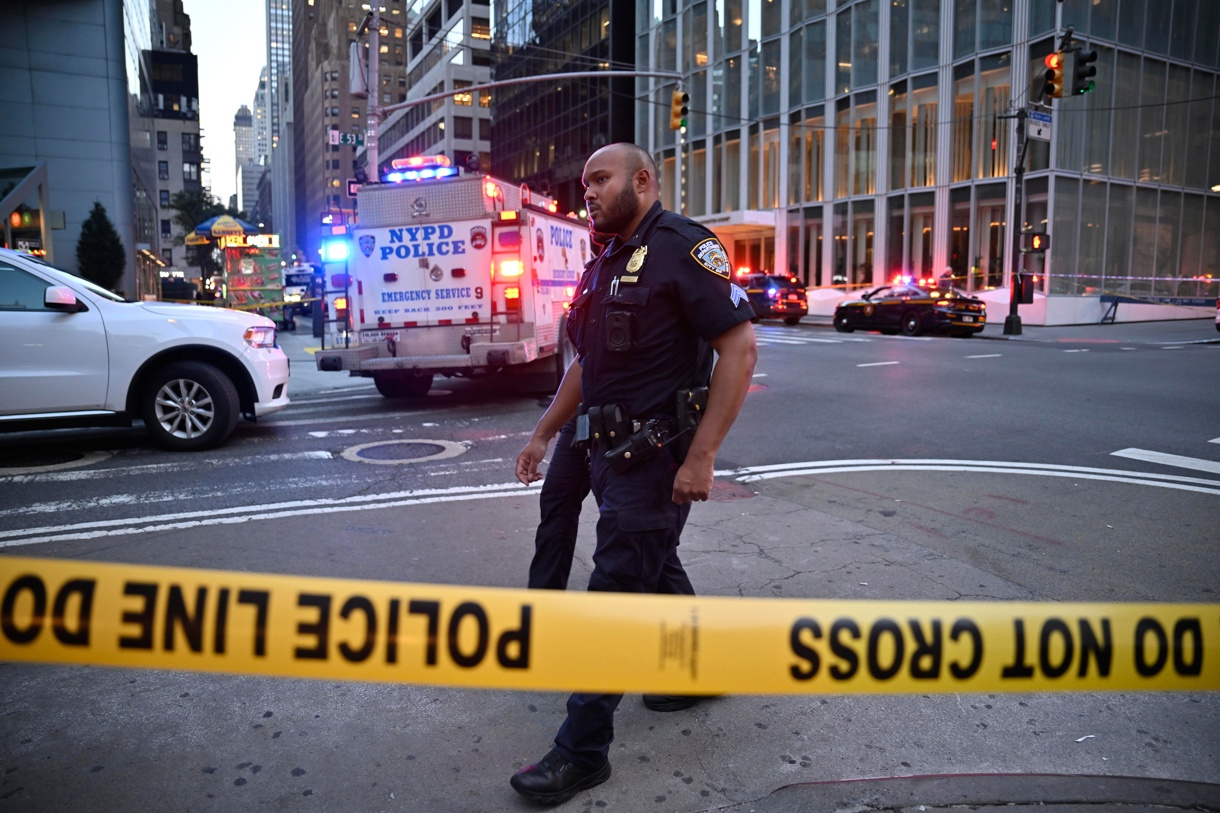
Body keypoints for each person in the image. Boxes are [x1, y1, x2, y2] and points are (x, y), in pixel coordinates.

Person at [510, 142, 757, 805]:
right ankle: (696, 671)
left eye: (600, 179)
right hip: (600, 447)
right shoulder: (604, 262)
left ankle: (582, 750)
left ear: (643, 181)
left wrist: (702, 455)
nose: (586, 191)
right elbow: (586, 365)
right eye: (584, 181)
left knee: (617, 589)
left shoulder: (683, 247)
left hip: (655, 456)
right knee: (651, 564)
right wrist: (544, 433)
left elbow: (738, 346)